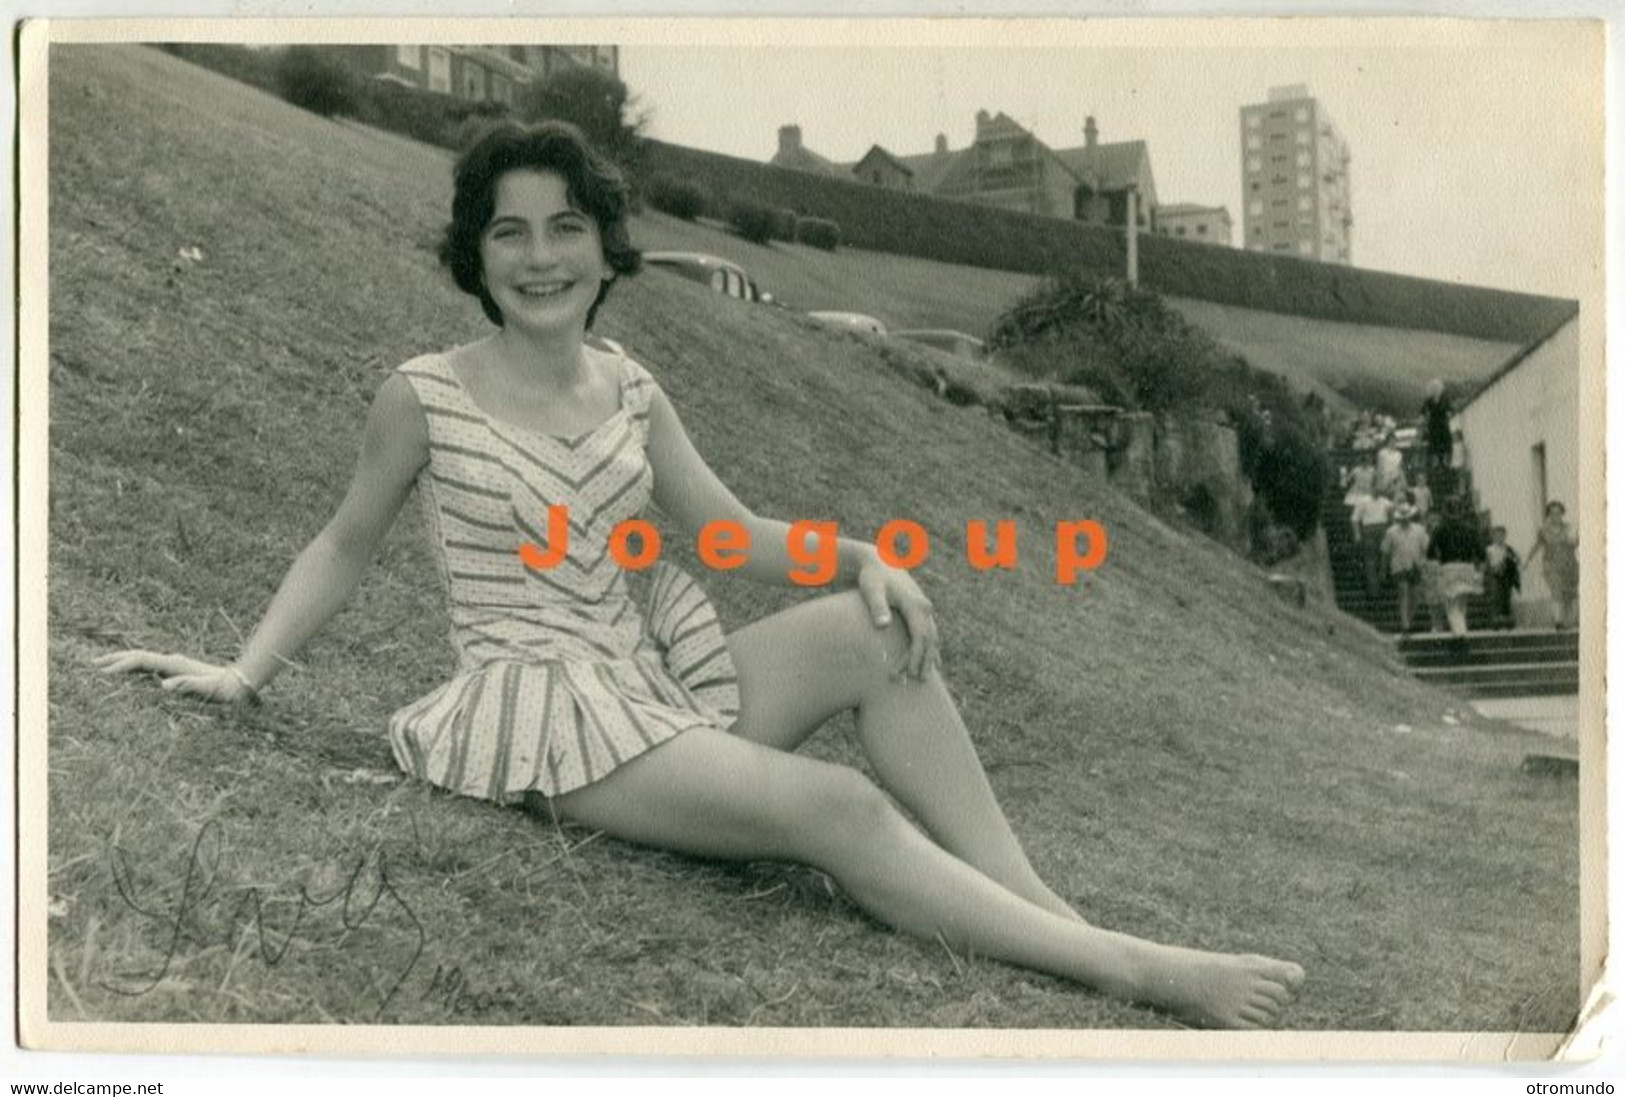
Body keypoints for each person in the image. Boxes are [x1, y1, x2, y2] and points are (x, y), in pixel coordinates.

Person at [95, 122, 1302, 1029]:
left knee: (875, 633)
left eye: (565, 226)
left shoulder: (628, 385)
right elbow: (343, 542)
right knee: (835, 809)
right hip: (543, 712)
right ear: (474, 252)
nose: (539, 254)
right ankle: (1129, 969)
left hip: (646, 681)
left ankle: (1050, 912)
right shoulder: (422, 393)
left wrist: (865, 555)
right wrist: (243, 671)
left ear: (604, 248)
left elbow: (727, 533)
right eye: (508, 230)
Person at [1428, 500, 1485, 656]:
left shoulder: (1439, 530)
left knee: (1452, 607)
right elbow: (1481, 553)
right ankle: (1457, 638)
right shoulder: (1471, 530)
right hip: (1467, 568)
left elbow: (1430, 553)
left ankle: (1461, 637)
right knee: (1461, 606)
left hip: (1449, 568)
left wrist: (1439, 560)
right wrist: (1478, 571)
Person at [1526, 500, 1579, 631]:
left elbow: (1575, 543)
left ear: (1562, 513)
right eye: (1552, 513)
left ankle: (1568, 621)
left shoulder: (1569, 528)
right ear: (1549, 515)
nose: (1556, 516)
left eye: (1558, 512)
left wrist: (1575, 540)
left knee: (1569, 594)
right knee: (1556, 592)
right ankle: (1558, 621)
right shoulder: (1544, 530)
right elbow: (1537, 545)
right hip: (1551, 566)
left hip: (1569, 565)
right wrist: (1527, 560)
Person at [1381, 503, 1429, 634]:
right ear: (1399, 518)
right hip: (1398, 566)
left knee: (1415, 596)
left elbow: (1425, 548)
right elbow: (1385, 551)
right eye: (1402, 518)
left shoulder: (1419, 530)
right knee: (1403, 592)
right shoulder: (1391, 531)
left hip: (1415, 565)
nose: (1405, 520)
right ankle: (1405, 624)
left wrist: (1424, 564)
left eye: (1407, 517)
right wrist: (1383, 569)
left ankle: (1409, 619)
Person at [1351, 489, 1394, 600]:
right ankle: (1373, 591)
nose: (1378, 490)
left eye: (1380, 488)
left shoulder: (1385, 501)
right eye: (1375, 487)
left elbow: (1394, 514)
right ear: (1371, 488)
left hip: (1382, 529)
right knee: (1370, 560)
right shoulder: (1363, 501)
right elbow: (1354, 518)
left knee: (1384, 557)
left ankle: (1382, 582)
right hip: (1368, 530)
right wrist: (1357, 533)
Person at [1482, 525, 1521, 630]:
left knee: (1506, 598)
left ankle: (1507, 622)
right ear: (1493, 536)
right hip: (1494, 576)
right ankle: (1495, 623)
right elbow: (1486, 563)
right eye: (1497, 535)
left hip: (1506, 576)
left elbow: (1517, 560)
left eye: (1502, 535)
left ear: (1505, 536)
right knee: (1495, 598)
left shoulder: (1508, 549)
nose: (1499, 538)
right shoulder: (1489, 549)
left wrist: (1510, 560)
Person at [1420, 380, 1453, 478]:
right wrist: (1423, 420)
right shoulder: (1429, 401)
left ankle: (1444, 465)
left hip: (1443, 426)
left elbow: (1450, 410)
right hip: (1433, 426)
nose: (1436, 391)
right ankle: (1436, 466)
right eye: (1433, 389)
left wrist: (1449, 413)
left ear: (1440, 390)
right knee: (1434, 446)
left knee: (1444, 445)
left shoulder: (1444, 400)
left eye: (1437, 389)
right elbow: (1422, 412)